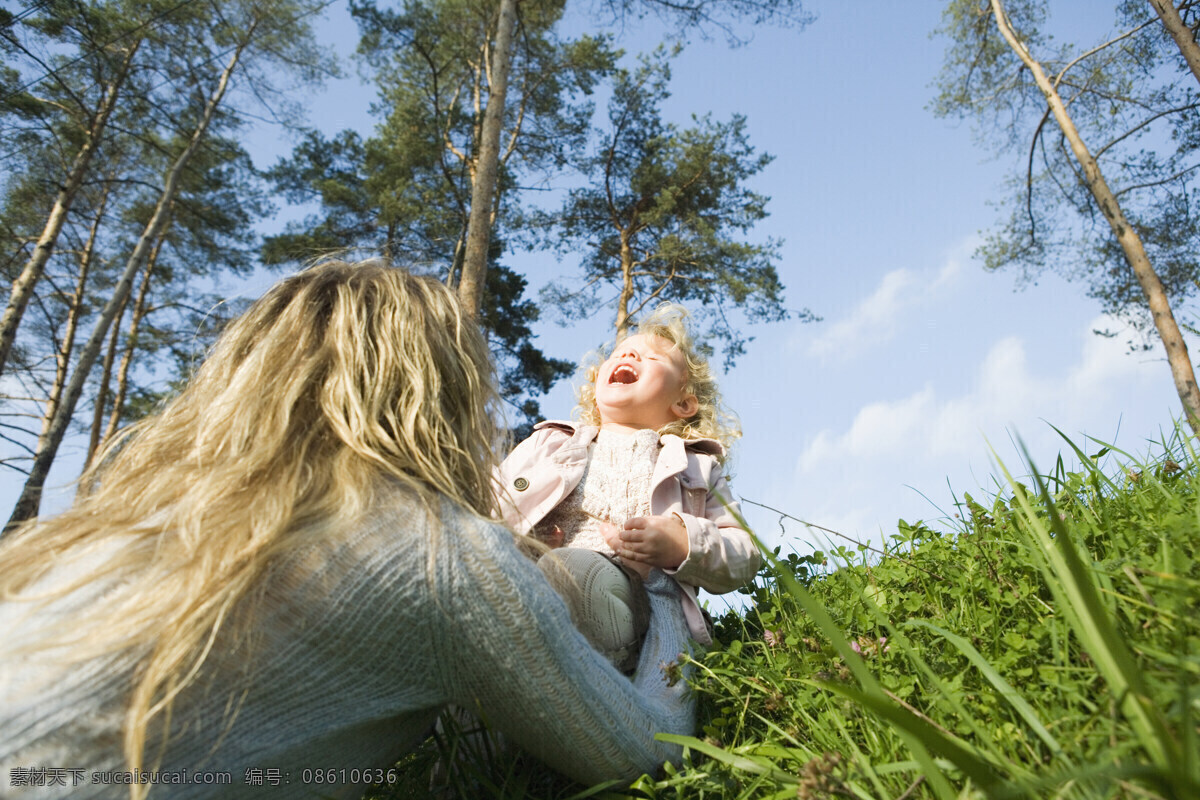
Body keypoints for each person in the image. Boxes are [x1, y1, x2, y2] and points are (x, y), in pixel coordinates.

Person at [0, 261, 694, 800]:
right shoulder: (442, 556)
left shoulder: (136, 519)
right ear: (440, 393)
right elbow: (645, 749)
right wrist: (664, 600)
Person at [497, 304, 761, 671]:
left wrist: (682, 542)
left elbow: (744, 552)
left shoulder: (697, 467)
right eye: (619, 354)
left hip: (638, 608)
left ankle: (603, 689)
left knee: (572, 574)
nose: (629, 354)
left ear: (683, 403)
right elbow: (490, 507)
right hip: (528, 586)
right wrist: (526, 544)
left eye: (651, 356)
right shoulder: (550, 445)